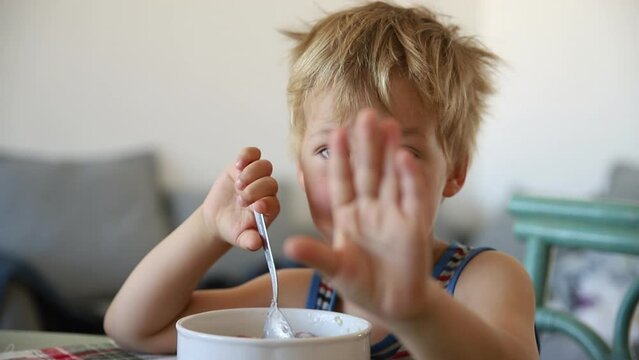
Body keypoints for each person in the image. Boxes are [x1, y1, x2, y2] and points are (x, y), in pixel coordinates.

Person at [104, 2, 539, 359]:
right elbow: (135, 328)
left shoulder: (484, 279)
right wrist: (205, 228)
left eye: (398, 151)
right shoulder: (306, 297)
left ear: (456, 171)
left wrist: (418, 310)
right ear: (302, 168)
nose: (358, 175)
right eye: (328, 151)